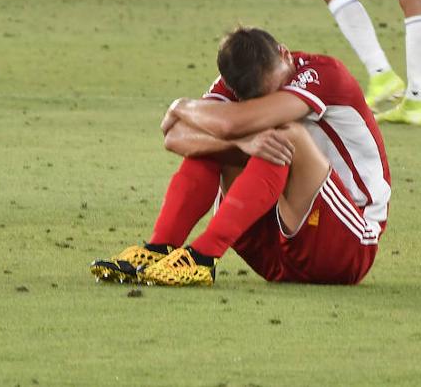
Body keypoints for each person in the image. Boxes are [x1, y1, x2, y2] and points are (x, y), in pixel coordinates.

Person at [91, 27, 389, 287]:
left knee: (283, 133)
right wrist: (238, 139)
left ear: (285, 54)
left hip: (346, 247)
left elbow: (231, 123)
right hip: (273, 254)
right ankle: (159, 248)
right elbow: (175, 137)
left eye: (275, 91)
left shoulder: (324, 73)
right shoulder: (239, 78)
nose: (266, 101)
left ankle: (204, 256)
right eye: (255, 99)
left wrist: (181, 106)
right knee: (213, 141)